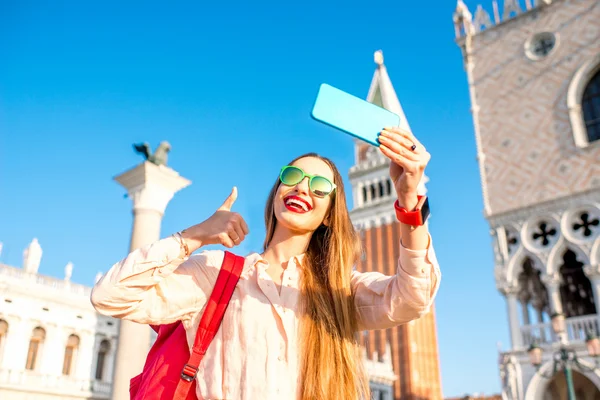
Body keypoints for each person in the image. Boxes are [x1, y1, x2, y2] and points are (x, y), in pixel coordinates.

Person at [91, 126, 441, 400]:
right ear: (275, 193)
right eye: (292, 177)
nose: (303, 188)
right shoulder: (216, 273)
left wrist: (410, 201)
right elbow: (110, 295)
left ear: (330, 215)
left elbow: (412, 298)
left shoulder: (340, 292)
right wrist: (195, 235)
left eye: (320, 186)